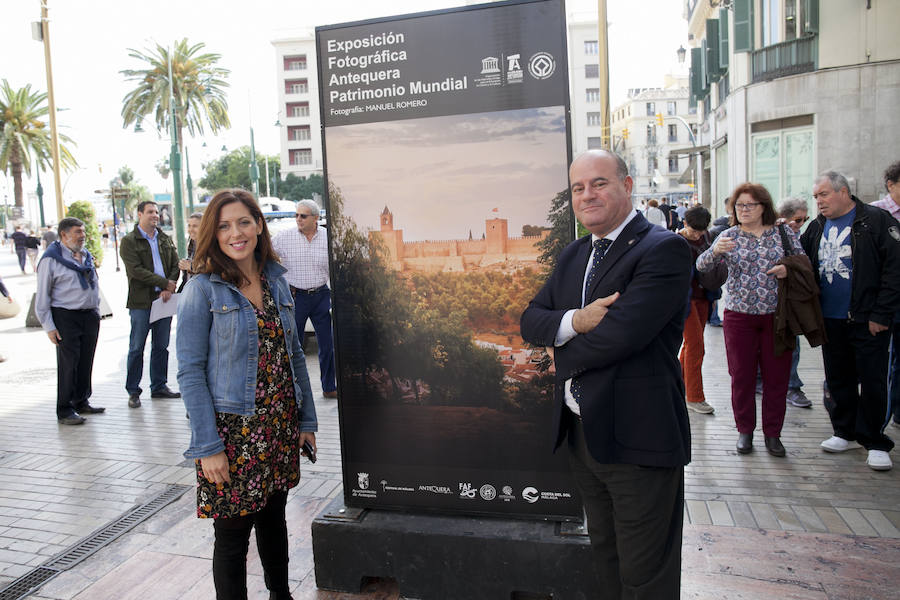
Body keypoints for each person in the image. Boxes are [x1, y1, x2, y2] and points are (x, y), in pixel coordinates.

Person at [521, 150, 692, 599]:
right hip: (584, 434)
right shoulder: (575, 253)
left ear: (627, 185)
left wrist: (554, 352)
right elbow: (529, 320)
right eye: (578, 188)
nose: (587, 195)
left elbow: (619, 338)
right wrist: (575, 321)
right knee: (607, 558)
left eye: (599, 183)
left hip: (638, 438)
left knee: (645, 572)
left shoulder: (663, 249)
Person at [177, 189, 317, 600]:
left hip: (278, 424)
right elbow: (189, 371)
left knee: (275, 518)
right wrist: (207, 446)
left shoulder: (276, 279)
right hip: (231, 434)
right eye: (223, 226)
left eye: (242, 222)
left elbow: (291, 353)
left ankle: (281, 595)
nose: (234, 233)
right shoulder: (202, 290)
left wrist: (305, 420)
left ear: (259, 224)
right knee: (233, 534)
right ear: (212, 234)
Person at [801, 170, 900, 471]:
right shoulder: (815, 227)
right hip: (830, 319)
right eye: (816, 196)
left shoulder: (877, 221)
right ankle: (844, 430)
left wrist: (881, 314)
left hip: (868, 319)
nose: (818, 201)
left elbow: (895, 271)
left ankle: (874, 439)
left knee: (872, 380)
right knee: (838, 377)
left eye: (824, 194)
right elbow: (802, 264)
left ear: (843, 192)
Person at [697, 183, 803, 457]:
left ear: (763, 207)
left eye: (749, 205)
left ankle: (773, 434)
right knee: (741, 377)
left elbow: (803, 262)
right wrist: (715, 250)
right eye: (739, 205)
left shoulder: (782, 233)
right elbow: (701, 266)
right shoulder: (728, 236)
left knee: (776, 378)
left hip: (777, 318)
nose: (743, 210)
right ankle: (745, 431)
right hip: (739, 318)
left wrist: (786, 269)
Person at [34, 217, 104, 425]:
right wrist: (49, 326)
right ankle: (64, 408)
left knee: (85, 359)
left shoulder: (85, 256)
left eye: (82, 232)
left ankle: (81, 400)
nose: (82, 236)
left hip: (89, 314)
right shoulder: (51, 260)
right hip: (66, 316)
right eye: (77, 232)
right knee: (68, 363)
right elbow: (42, 297)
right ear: (63, 235)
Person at [272, 199, 337, 398]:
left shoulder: (329, 238)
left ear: (316, 218)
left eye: (303, 216)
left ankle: (329, 387)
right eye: (296, 215)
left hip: (321, 295)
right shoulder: (284, 237)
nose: (298, 219)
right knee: (294, 344)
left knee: (327, 344)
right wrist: (278, 283)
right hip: (295, 297)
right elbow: (265, 254)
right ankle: (294, 389)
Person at [120, 200, 181, 408]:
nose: (155, 215)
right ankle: (133, 391)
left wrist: (169, 287)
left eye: (156, 212)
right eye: (150, 212)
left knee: (161, 346)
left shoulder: (164, 238)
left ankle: (159, 386)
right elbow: (136, 270)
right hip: (141, 303)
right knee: (136, 348)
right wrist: (164, 282)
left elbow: (175, 263)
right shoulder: (129, 241)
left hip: (164, 300)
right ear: (139, 214)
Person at [775, 197, 813, 408]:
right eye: (798, 219)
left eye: (804, 219)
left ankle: (791, 385)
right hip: (777, 298)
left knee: (791, 341)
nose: (801, 224)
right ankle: (789, 385)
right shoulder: (777, 232)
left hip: (794, 297)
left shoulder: (801, 235)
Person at [678, 206, 715, 414]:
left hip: (704, 297)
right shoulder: (676, 242)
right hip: (685, 300)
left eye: (701, 231)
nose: (697, 234)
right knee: (696, 346)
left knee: (691, 346)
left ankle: (679, 386)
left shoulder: (707, 236)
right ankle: (694, 397)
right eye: (694, 230)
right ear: (684, 224)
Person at [871, 161, 900, 429]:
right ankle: (877, 423)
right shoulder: (875, 214)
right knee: (880, 362)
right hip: (881, 301)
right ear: (891, 185)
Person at [177, 212, 203, 293]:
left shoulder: (211, 244)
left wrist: (190, 266)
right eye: (189, 226)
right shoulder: (192, 243)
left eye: (195, 226)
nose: (190, 230)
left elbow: (213, 267)